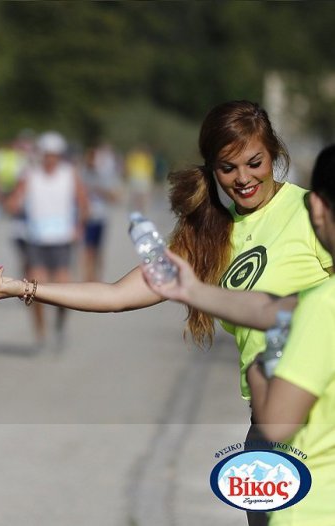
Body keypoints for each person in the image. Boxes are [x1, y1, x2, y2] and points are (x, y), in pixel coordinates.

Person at [0, 101, 332, 524]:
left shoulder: (314, 215)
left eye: (255, 163)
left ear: (275, 154)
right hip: (266, 423)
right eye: (227, 168)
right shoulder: (211, 232)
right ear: (212, 168)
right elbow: (117, 295)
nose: (244, 179)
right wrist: (22, 287)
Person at [143, 143, 335, 526]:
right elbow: (269, 308)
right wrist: (194, 291)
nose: (243, 177)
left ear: (316, 208)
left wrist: (261, 371)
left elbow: (277, 422)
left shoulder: (322, 305)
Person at [3, 131, 88, 350]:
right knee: (34, 290)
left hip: (62, 239)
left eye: (54, 155)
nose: (50, 159)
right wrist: (12, 204)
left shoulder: (70, 174)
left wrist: (79, 227)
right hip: (37, 239)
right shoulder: (30, 174)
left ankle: (59, 325)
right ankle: (41, 333)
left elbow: (82, 203)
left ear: (59, 156)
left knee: (64, 290)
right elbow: (13, 201)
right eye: (46, 154)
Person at [79, 141, 123, 281]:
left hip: (101, 218)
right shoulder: (82, 173)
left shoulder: (104, 175)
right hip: (87, 218)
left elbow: (116, 197)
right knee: (88, 251)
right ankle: (88, 280)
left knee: (98, 251)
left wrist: (100, 191)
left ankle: (97, 279)